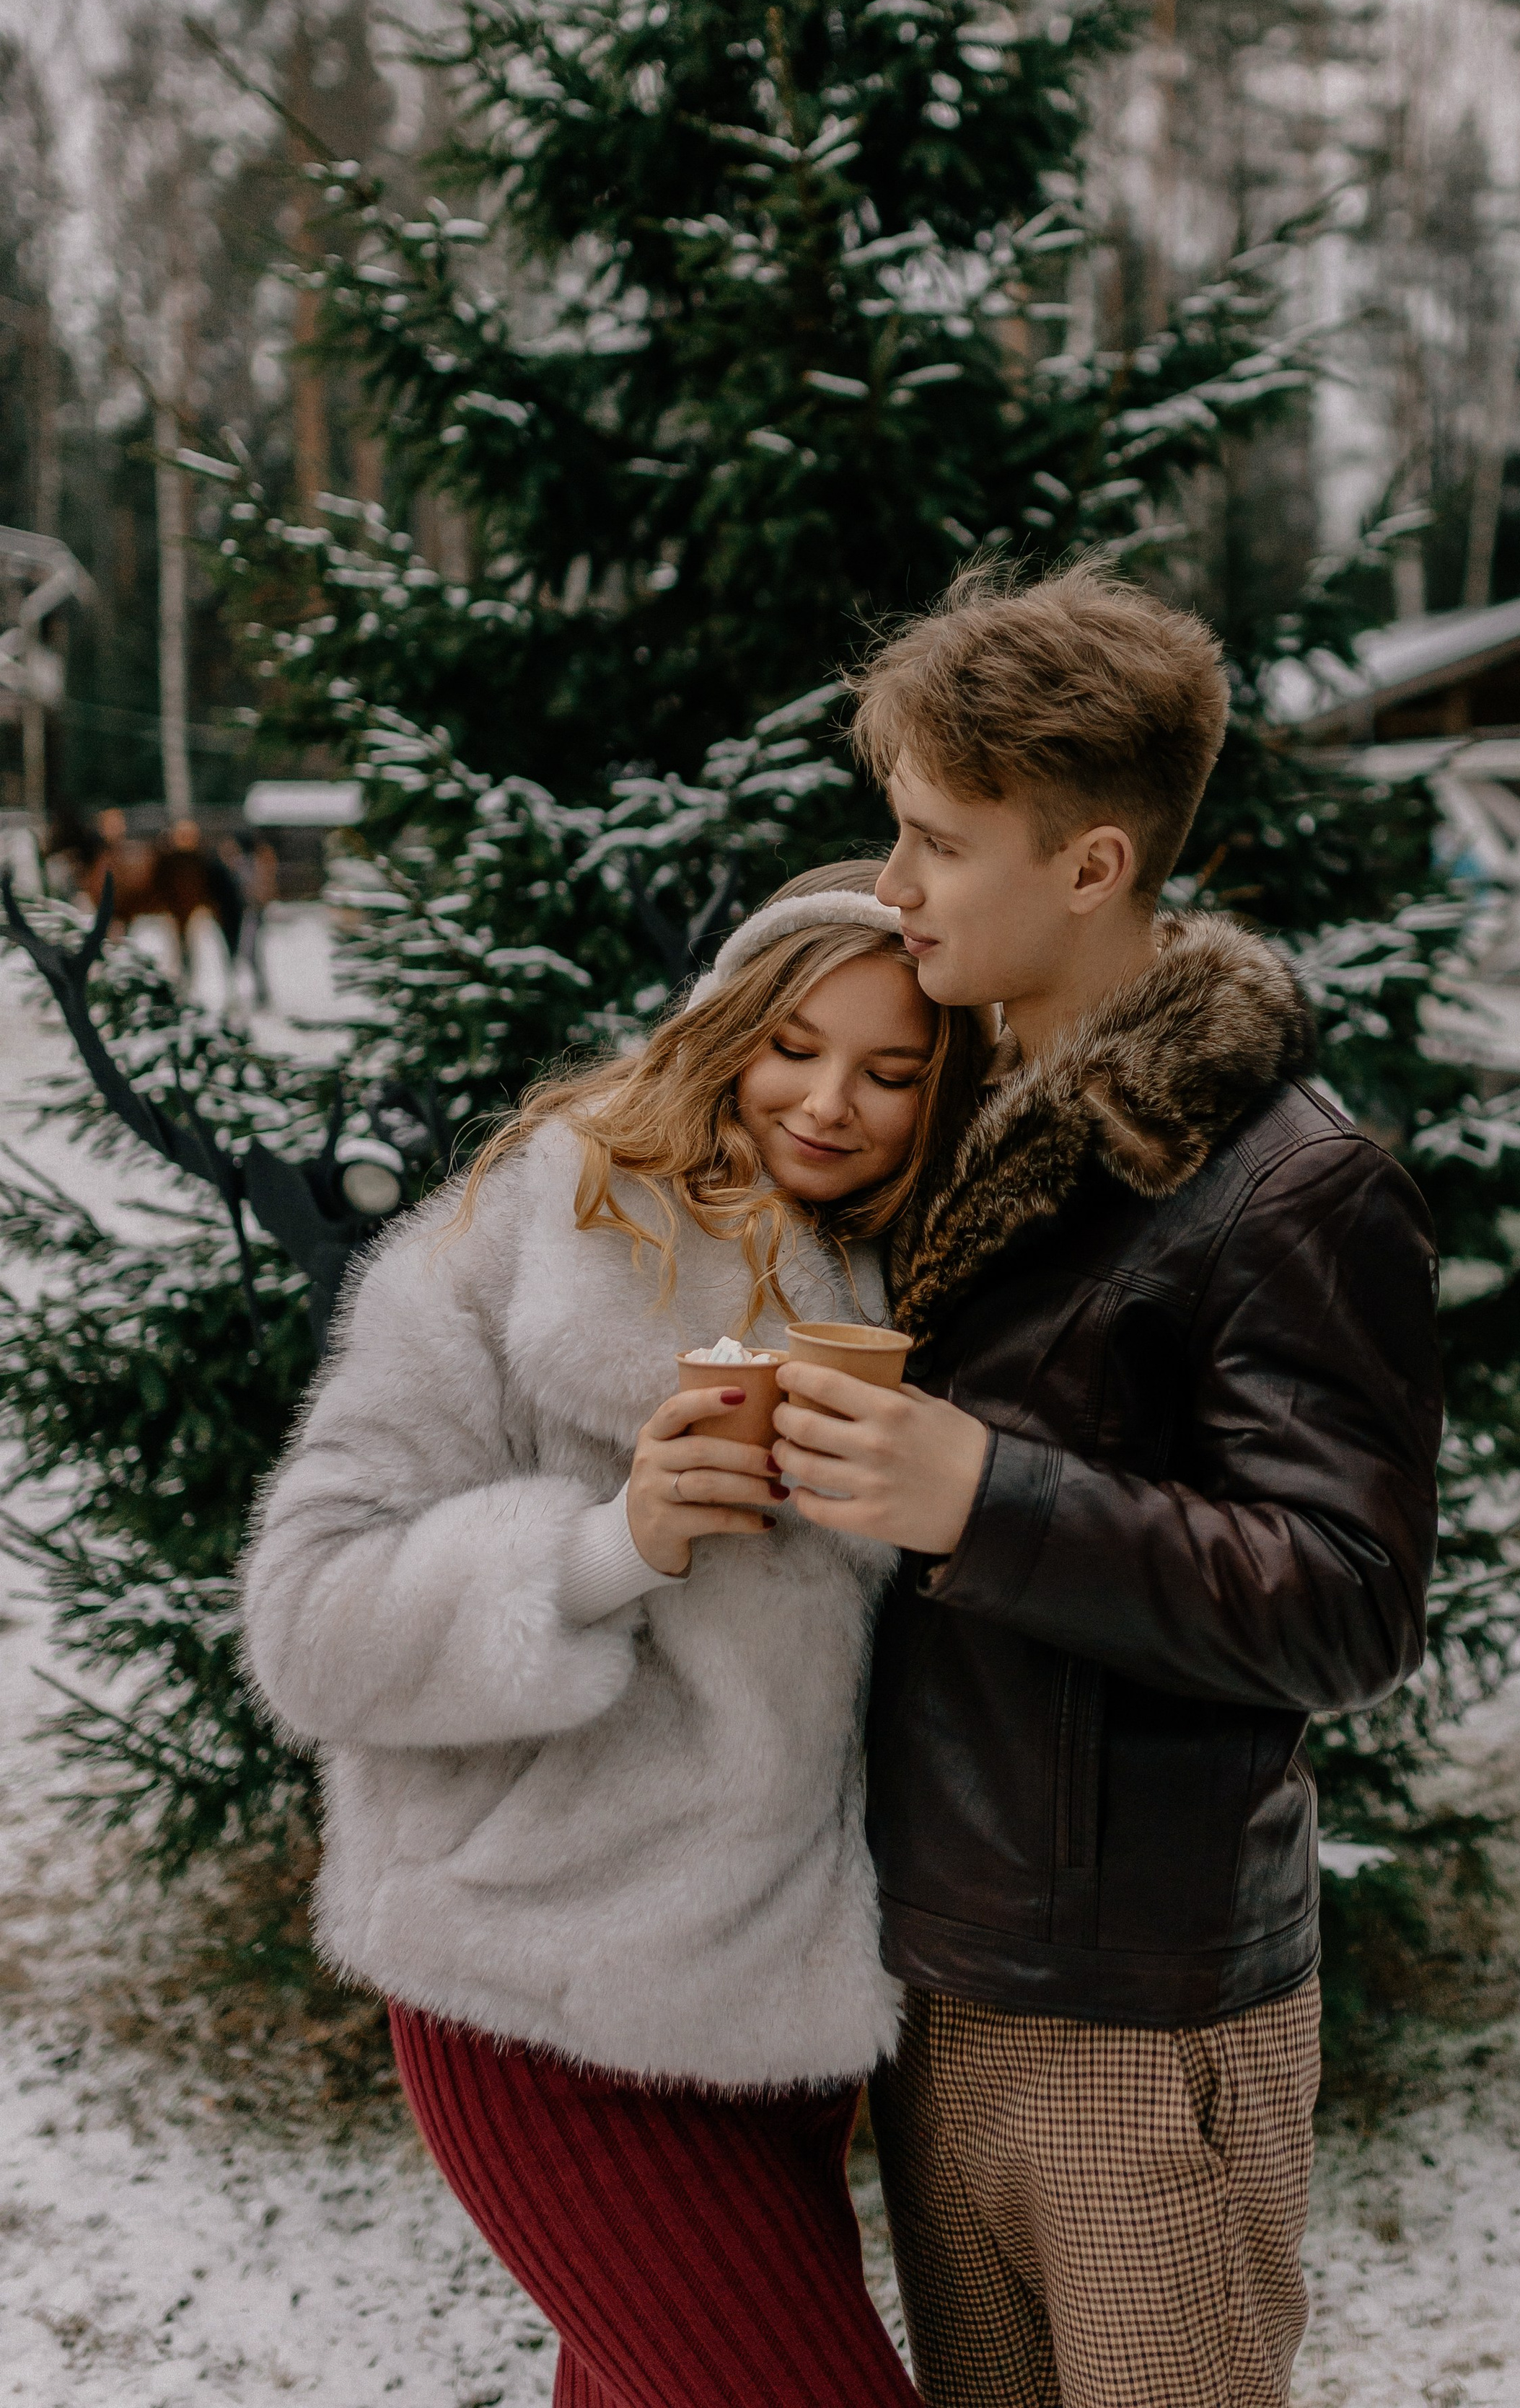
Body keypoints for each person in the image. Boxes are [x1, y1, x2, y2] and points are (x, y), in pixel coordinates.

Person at [768, 563, 1445, 2408]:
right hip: (929, 1972)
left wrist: (986, 1497)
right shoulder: (934, 1113)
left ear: (1089, 867)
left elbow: (1346, 1602)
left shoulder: (1294, 1187)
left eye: (936, 842)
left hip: (1144, 2018)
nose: (891, 884)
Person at [242, 868, 988, 2408]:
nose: (827, 1102)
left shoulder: (924, 1268)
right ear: (723, 1026)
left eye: (891, 1071)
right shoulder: (531, 1227)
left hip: (784, 2029)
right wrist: (606, 1548)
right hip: (542, 1994)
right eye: (793, 1046)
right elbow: (307, 1619)